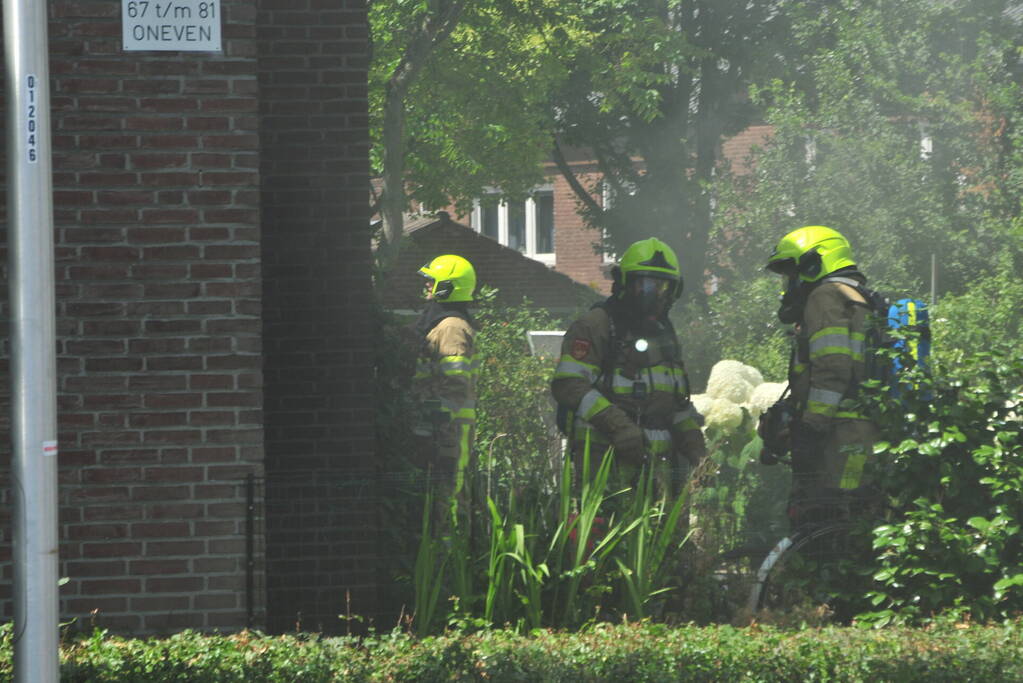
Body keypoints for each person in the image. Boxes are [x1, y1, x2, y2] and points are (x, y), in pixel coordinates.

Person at [550, 237, 706, 495]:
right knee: (605, 523)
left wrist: (696, 448)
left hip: (659, 473)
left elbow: (676, 404)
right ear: (624, 283)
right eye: (645, 285)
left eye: (662, 287)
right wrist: (618, 426)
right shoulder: (596, 326)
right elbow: (569, 384)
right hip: (603, 467)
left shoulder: (665, 336)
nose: (654, 295)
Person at [764, 225, 879, 523]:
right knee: (857, 524)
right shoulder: (861, 298)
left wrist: (810, 427)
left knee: (821, 523)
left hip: (835, 440)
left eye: (791, 274)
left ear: (814, 264)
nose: (788, 285)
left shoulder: (825, 295)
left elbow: (833, 367)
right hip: (862, 436)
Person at [410, 254, 480, 531]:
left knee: (451, 493)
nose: (427, 284)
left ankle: (451, 549)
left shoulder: (451, 327)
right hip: (443, 426)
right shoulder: (441, 322)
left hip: (451, 428)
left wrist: (436, 419)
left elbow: (455, 380)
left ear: (448, 286)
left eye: (432, 280)